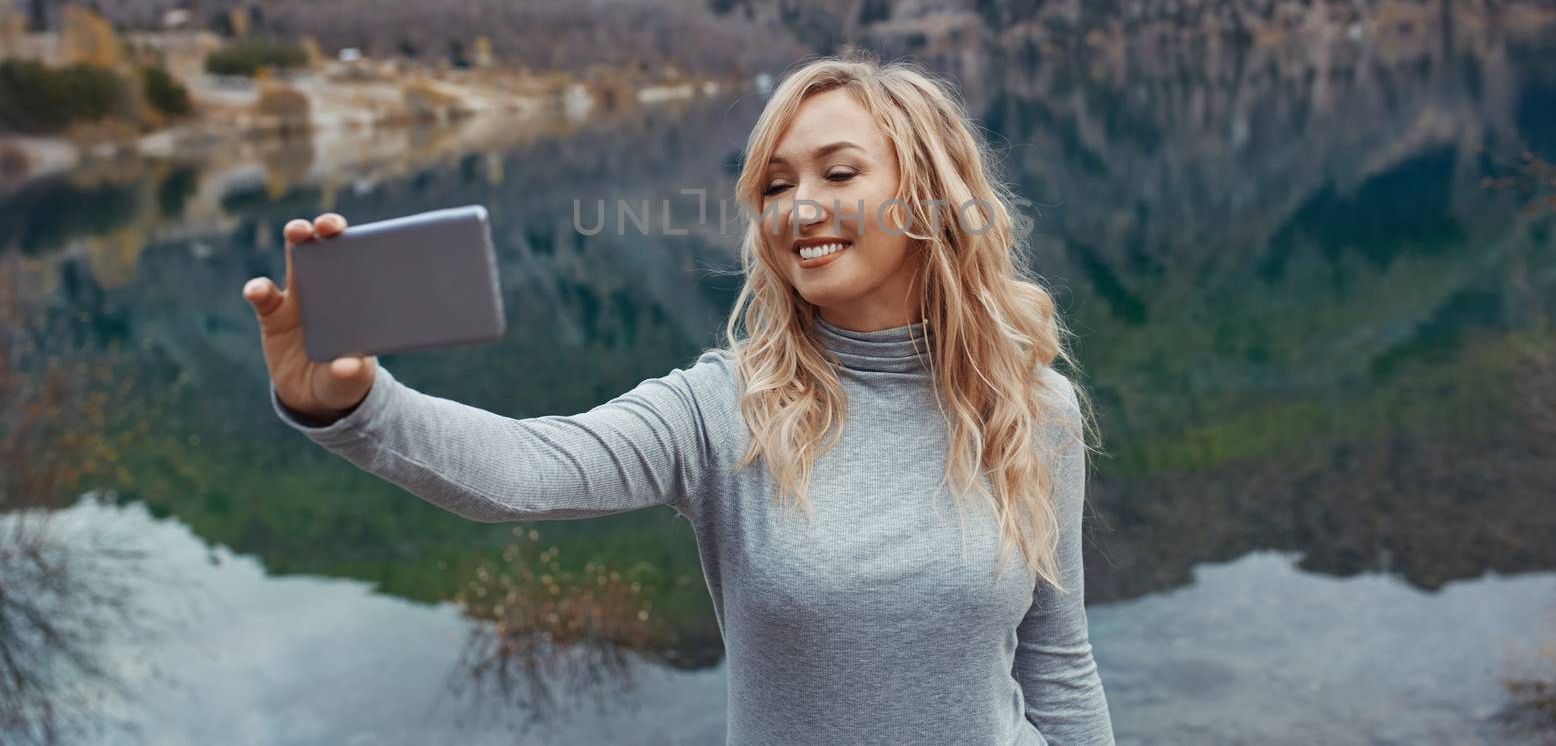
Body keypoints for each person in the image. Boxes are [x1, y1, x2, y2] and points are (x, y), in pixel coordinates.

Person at [243, 50, 1117, 745]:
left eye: (838, 174)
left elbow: (1059, 664)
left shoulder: (1031, 409)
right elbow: (525, 469)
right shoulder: (727, 405)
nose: (799, 208)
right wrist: (354, 407)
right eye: (775, 185)